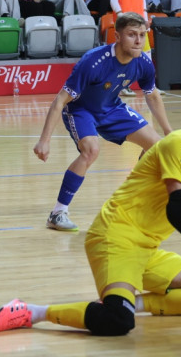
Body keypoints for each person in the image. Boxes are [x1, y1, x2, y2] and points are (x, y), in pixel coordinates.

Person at [0, 86, 181, 335]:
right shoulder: (179, 144)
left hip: (147, 249)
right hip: (114, 237)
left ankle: (132, 302)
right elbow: (179, 209)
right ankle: (33, 312)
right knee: (116, 322)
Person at [32, 13, 172, 232]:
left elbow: (152, 95)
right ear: (117, 36)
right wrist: (44, 141)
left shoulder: (144, 61)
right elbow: (60, 100)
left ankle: (131, 198)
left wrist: (168, 131)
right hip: (81, 109)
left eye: (142, 35)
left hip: (112, 108)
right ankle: (58, 213)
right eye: (132, 35)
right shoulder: (93, 61)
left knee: (157, 146)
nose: (138, 41)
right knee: (90, 151)